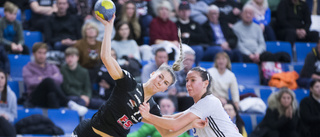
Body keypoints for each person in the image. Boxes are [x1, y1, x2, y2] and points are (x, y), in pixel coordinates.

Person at [72, 14, 204, 137]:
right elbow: (106, 57)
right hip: (87, 132)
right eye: (160, 77)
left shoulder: (152, 108)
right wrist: (108, 27)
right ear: (153, 74)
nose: (160, 82)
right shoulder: (129, 84)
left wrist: (190, 125)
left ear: (165, 89)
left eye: (165, 83)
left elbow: (167, 134)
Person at [139, 67, 243, 137]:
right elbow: (172, 118)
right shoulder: (198, 107)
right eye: (187, 80)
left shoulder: (209, 101)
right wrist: (140, 116)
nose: (188, 84)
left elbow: (174, 125)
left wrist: (148, 116)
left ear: (205, 83)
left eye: (193, 80)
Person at [22, 42, 88, 116]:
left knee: (52, 95)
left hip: (49, 96)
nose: (42, 55)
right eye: (39, 53)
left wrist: (40, 78)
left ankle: (57, 122)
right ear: (34, 54)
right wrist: (49, 78)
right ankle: (69, 103)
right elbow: (30, 82)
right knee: (48, 81)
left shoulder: (52, 66)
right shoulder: (27, 68)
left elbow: (60, 80)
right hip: (35, 97)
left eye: (44, 53)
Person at [128, 98, 192, 137]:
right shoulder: (153, 120)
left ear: (174, 108)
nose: (166, 108)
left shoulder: (181, 121)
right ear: (159, 108)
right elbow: (138, 135)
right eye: (163, 106)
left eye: (168, 106)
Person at [0, 70, 17, 136]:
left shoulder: (12, 95)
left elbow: (14, 115)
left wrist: (8, 117)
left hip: (6, 123)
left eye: (2, 77)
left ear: (5, 79)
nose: (0, 80)